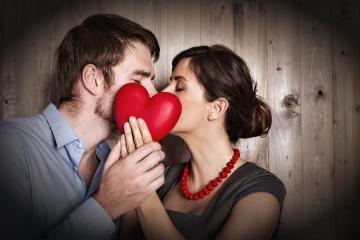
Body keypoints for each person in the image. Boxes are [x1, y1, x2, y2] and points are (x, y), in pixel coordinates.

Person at [0, 14, 166, 240]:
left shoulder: (116, 161)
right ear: (93, 79)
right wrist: (106, 204)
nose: (154, 94)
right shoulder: (10, 146)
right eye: (138, 80)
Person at [119, 45, 286, 240]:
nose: (161, 93)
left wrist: (142, 189)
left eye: (179, 87)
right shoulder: (159, 177)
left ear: (216, 108)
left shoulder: (260, 191)